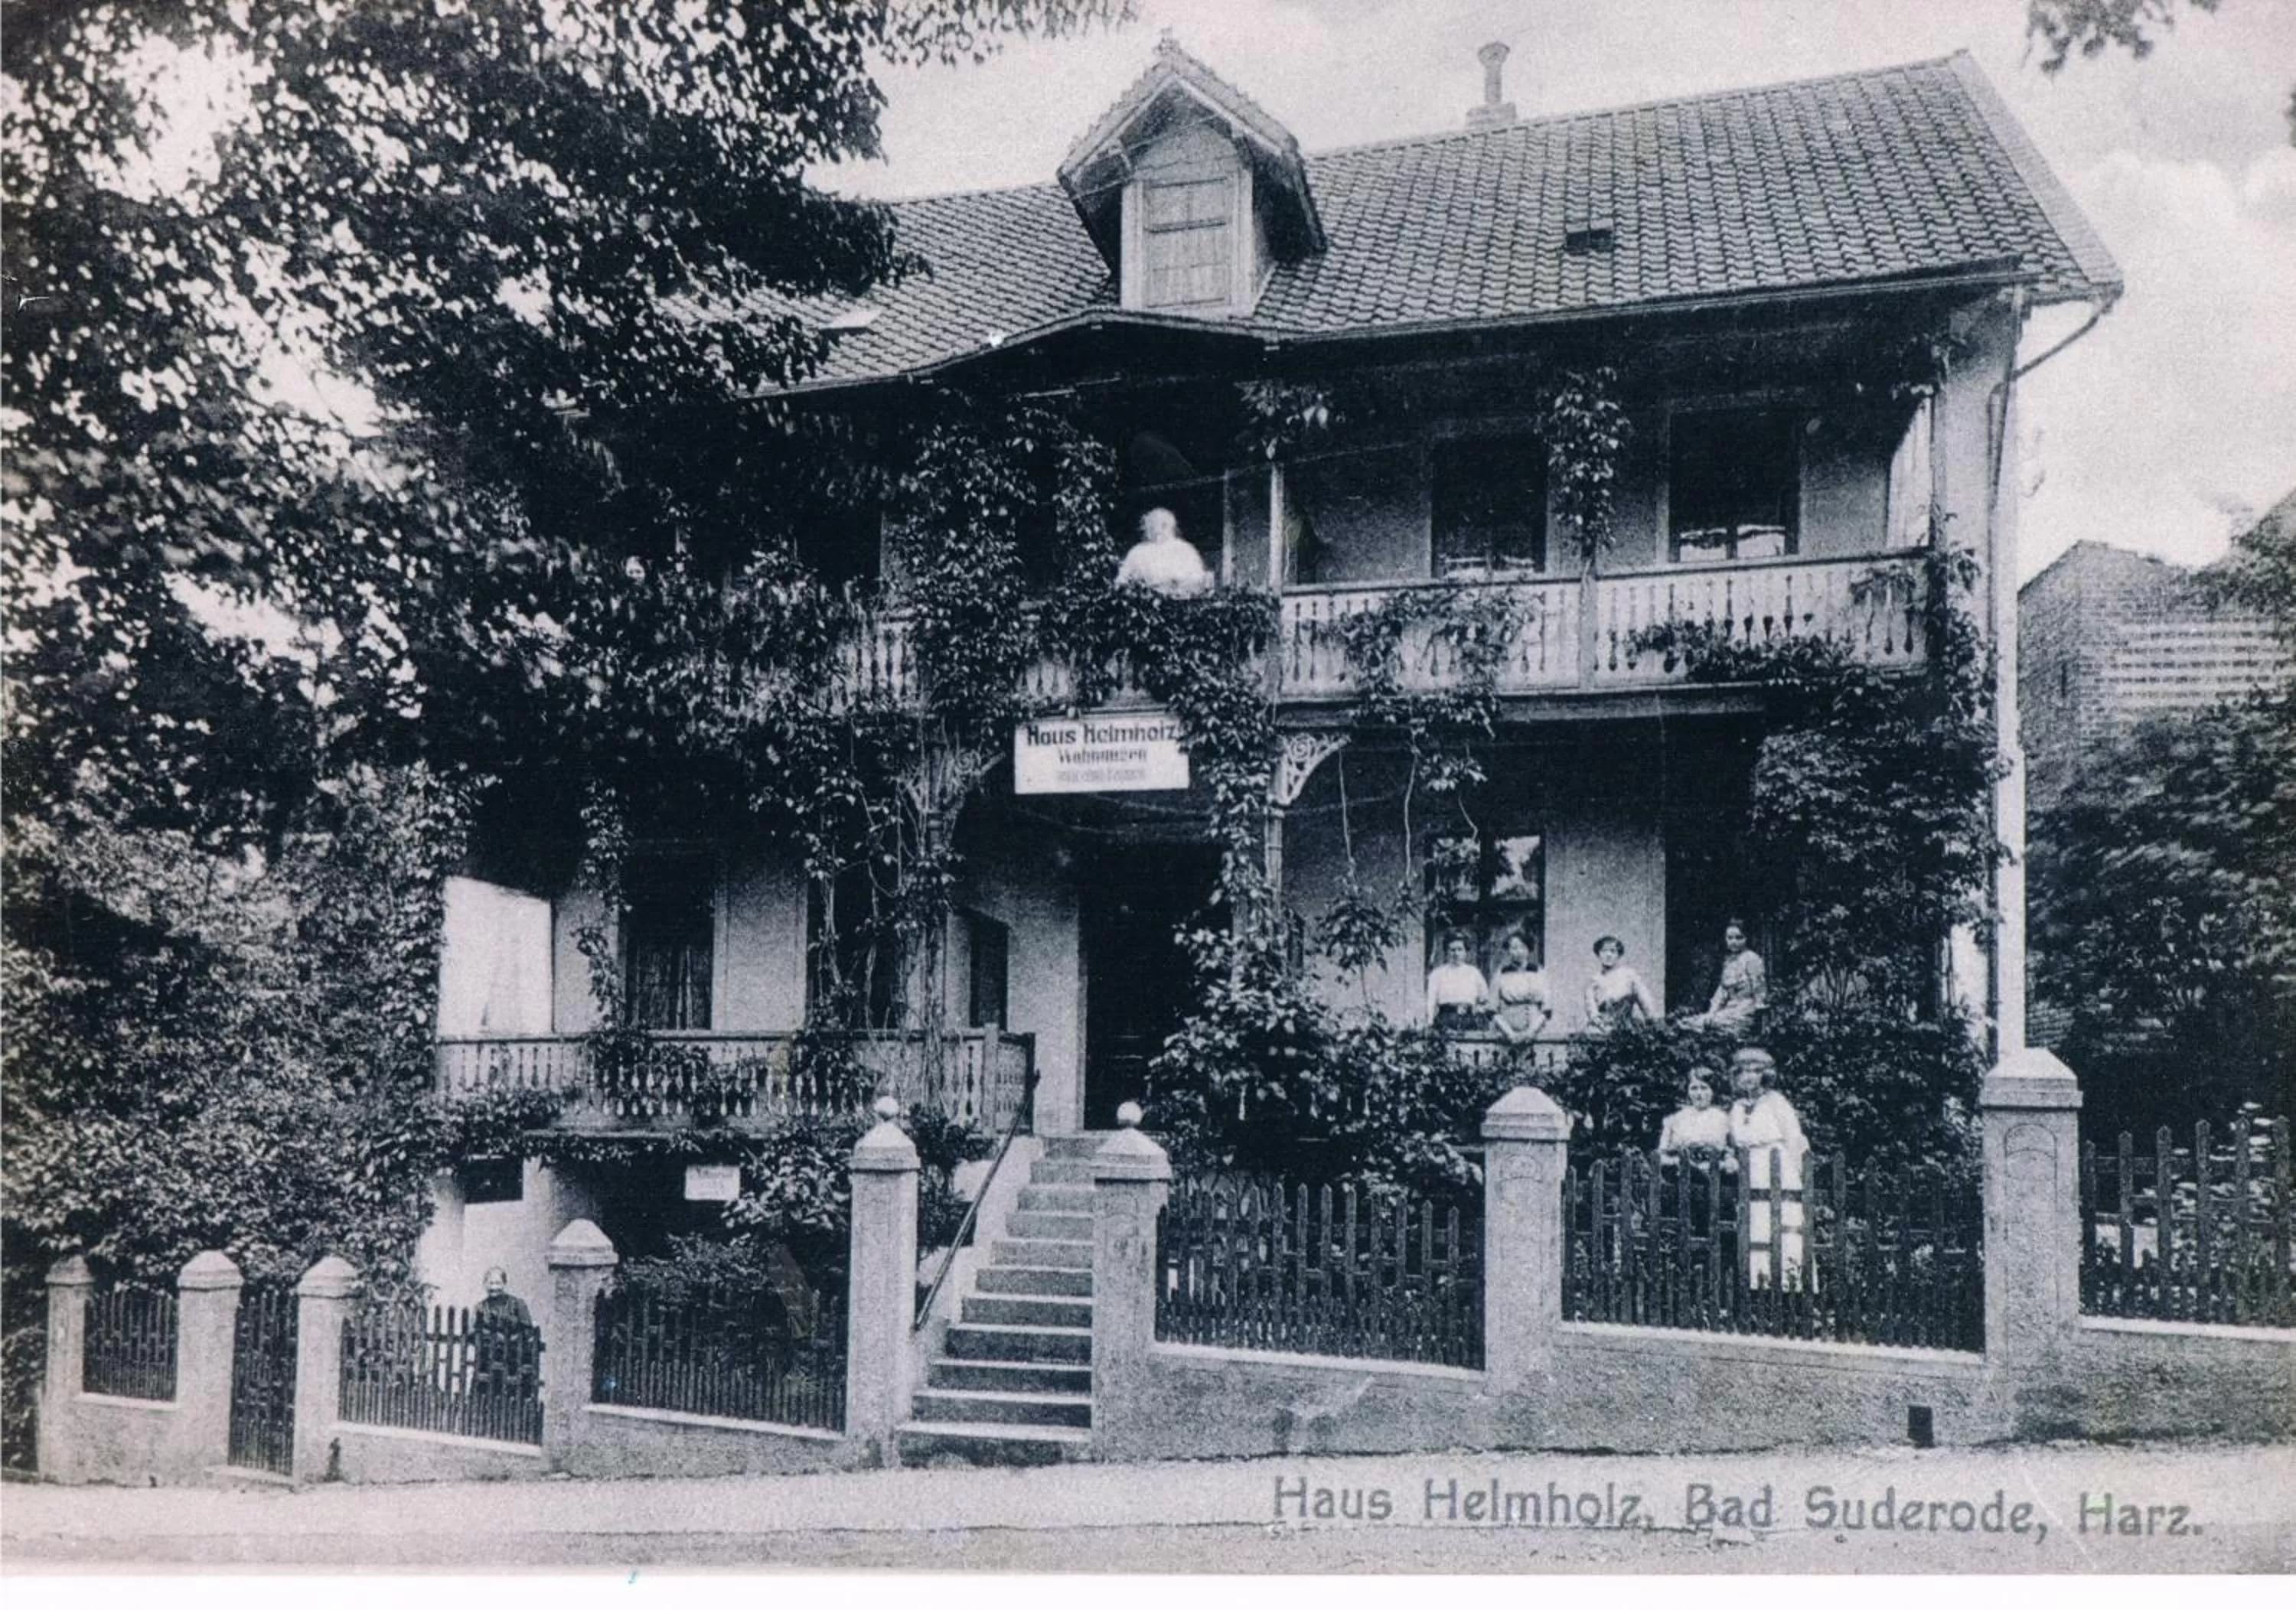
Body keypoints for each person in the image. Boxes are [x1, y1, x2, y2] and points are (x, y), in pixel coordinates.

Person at [1727, 1048, 1808, 1287]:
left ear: (1765, 1075)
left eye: (1755, 1071)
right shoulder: (1737, 1107)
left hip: (1778, 1165)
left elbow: (1794, 1137)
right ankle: (1758, 1283)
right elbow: (1732, 1141)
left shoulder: (1776, 1102)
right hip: (1750, 1168)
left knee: (1784, 1221)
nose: (1749, 1077)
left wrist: (1796, 1170)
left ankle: (1789, 1282)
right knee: (1755, 1223)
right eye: (1744, 1072)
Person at [1114, 506, 1213, 597]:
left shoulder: (1184, 550)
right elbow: (1122, 579)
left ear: (1168, 527)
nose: (1150, 530)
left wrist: (1177, 584)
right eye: (1149, 526)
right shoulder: (1137, 552)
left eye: (1154, 525)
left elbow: (1198, 579)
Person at [1691, 918, 1767, 1034]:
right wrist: (1712, 1013)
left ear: (1747, 938)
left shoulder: (1752, 959)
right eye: (1730, 938)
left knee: (1698, 1025)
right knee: (1692, 1023)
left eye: (1739, 938)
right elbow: (1721, 992)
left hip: (1744, 1012)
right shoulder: (1728, 961)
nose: (1734, 942)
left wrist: (1760, 1017)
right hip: (1728, 1010)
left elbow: (1759, 990)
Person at [1583, 934, 1659, 1030]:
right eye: (1604, 951)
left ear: (1618, 955)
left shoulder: (1630, 976)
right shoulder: (1593, 982)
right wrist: (1600, 1024)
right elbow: (1592, 1010)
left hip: (1626, 1028)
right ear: (1598, 954)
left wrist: (1653, 1023)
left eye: (1613, 951)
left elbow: (1646, 1004)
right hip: (1601, 1029)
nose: (1608, 955)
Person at [1489, 930, 1551, 1046]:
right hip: (1508, 1035)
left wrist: (1531, 1032)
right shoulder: (1501, 974)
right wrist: (1510, 1034)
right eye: (1514, 948)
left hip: (1536, 1034)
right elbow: (1492, 1010)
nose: (1519, 952)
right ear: (1508, 951)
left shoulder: (1539, 973)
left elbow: (1547, 1008)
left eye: (1523, 947)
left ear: (1529, 949)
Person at [1657, 1067, 1731, 1163]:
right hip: (1681, 1172)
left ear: (1712, 1091)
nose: (1699, 1094)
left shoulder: (1723, 1119)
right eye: (1694, 1088)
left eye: (1704, 1088)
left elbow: (1731, 1153)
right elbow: (1662, 1154)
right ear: (1688, 1091)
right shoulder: (1675, 1119)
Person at [1424, 933, 1490, 1032]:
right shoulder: (1437, 974)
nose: (1456, 954)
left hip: (1469, 1020)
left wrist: (1478, 1010)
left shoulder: (1473, 973)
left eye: (1460, 949)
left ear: (1465, 952)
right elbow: (1431, 1001)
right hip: (1445, 1020)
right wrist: (1430, 1022)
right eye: (1452, 950)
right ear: (1446, 951)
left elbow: (1485, 998)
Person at [476, 1266, 533, 1331]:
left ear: (504, 1283)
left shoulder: (517, 1305)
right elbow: (473, 1333)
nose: (494, 1287)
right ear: (485, 1284)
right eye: (491, 1283)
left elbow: (528, 1330)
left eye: (498, 1283)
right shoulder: (480, 1308)